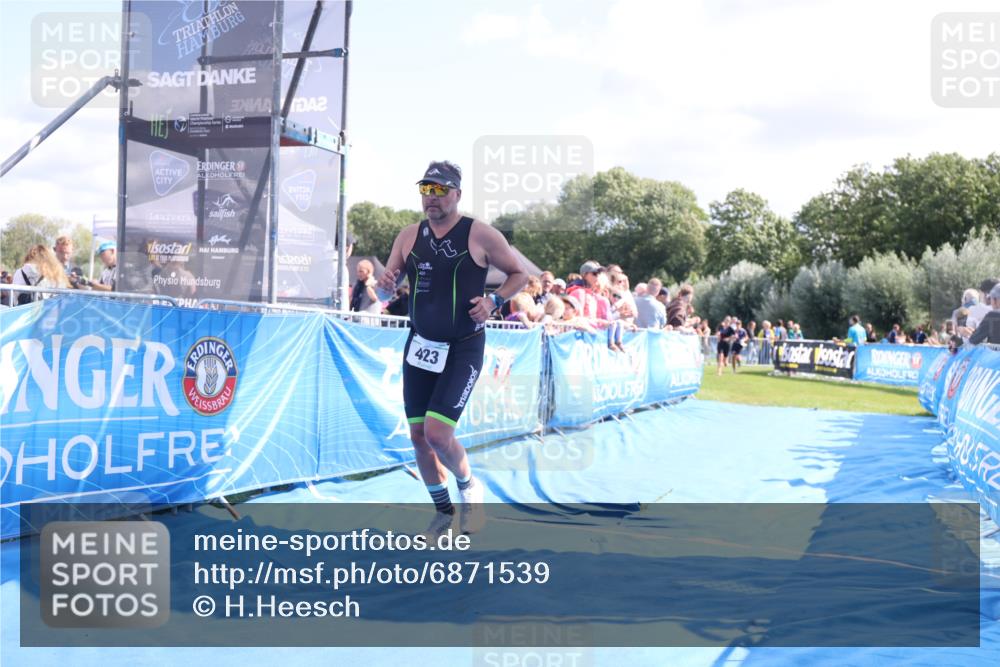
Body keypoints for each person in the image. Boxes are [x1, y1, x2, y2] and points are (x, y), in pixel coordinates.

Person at [375, 160, 527, 538]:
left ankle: (469, 487)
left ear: (457, 193)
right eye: (427, 189)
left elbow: (520, 274)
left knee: (439, 435)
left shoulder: (480, 234)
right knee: (418, 438)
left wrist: (495, 302)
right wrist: (384, 284)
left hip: (463, 346)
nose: (432, 198)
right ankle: (443, 513)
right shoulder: (409, 236)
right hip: (420, 346)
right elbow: (383, 291)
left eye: (440, 190)